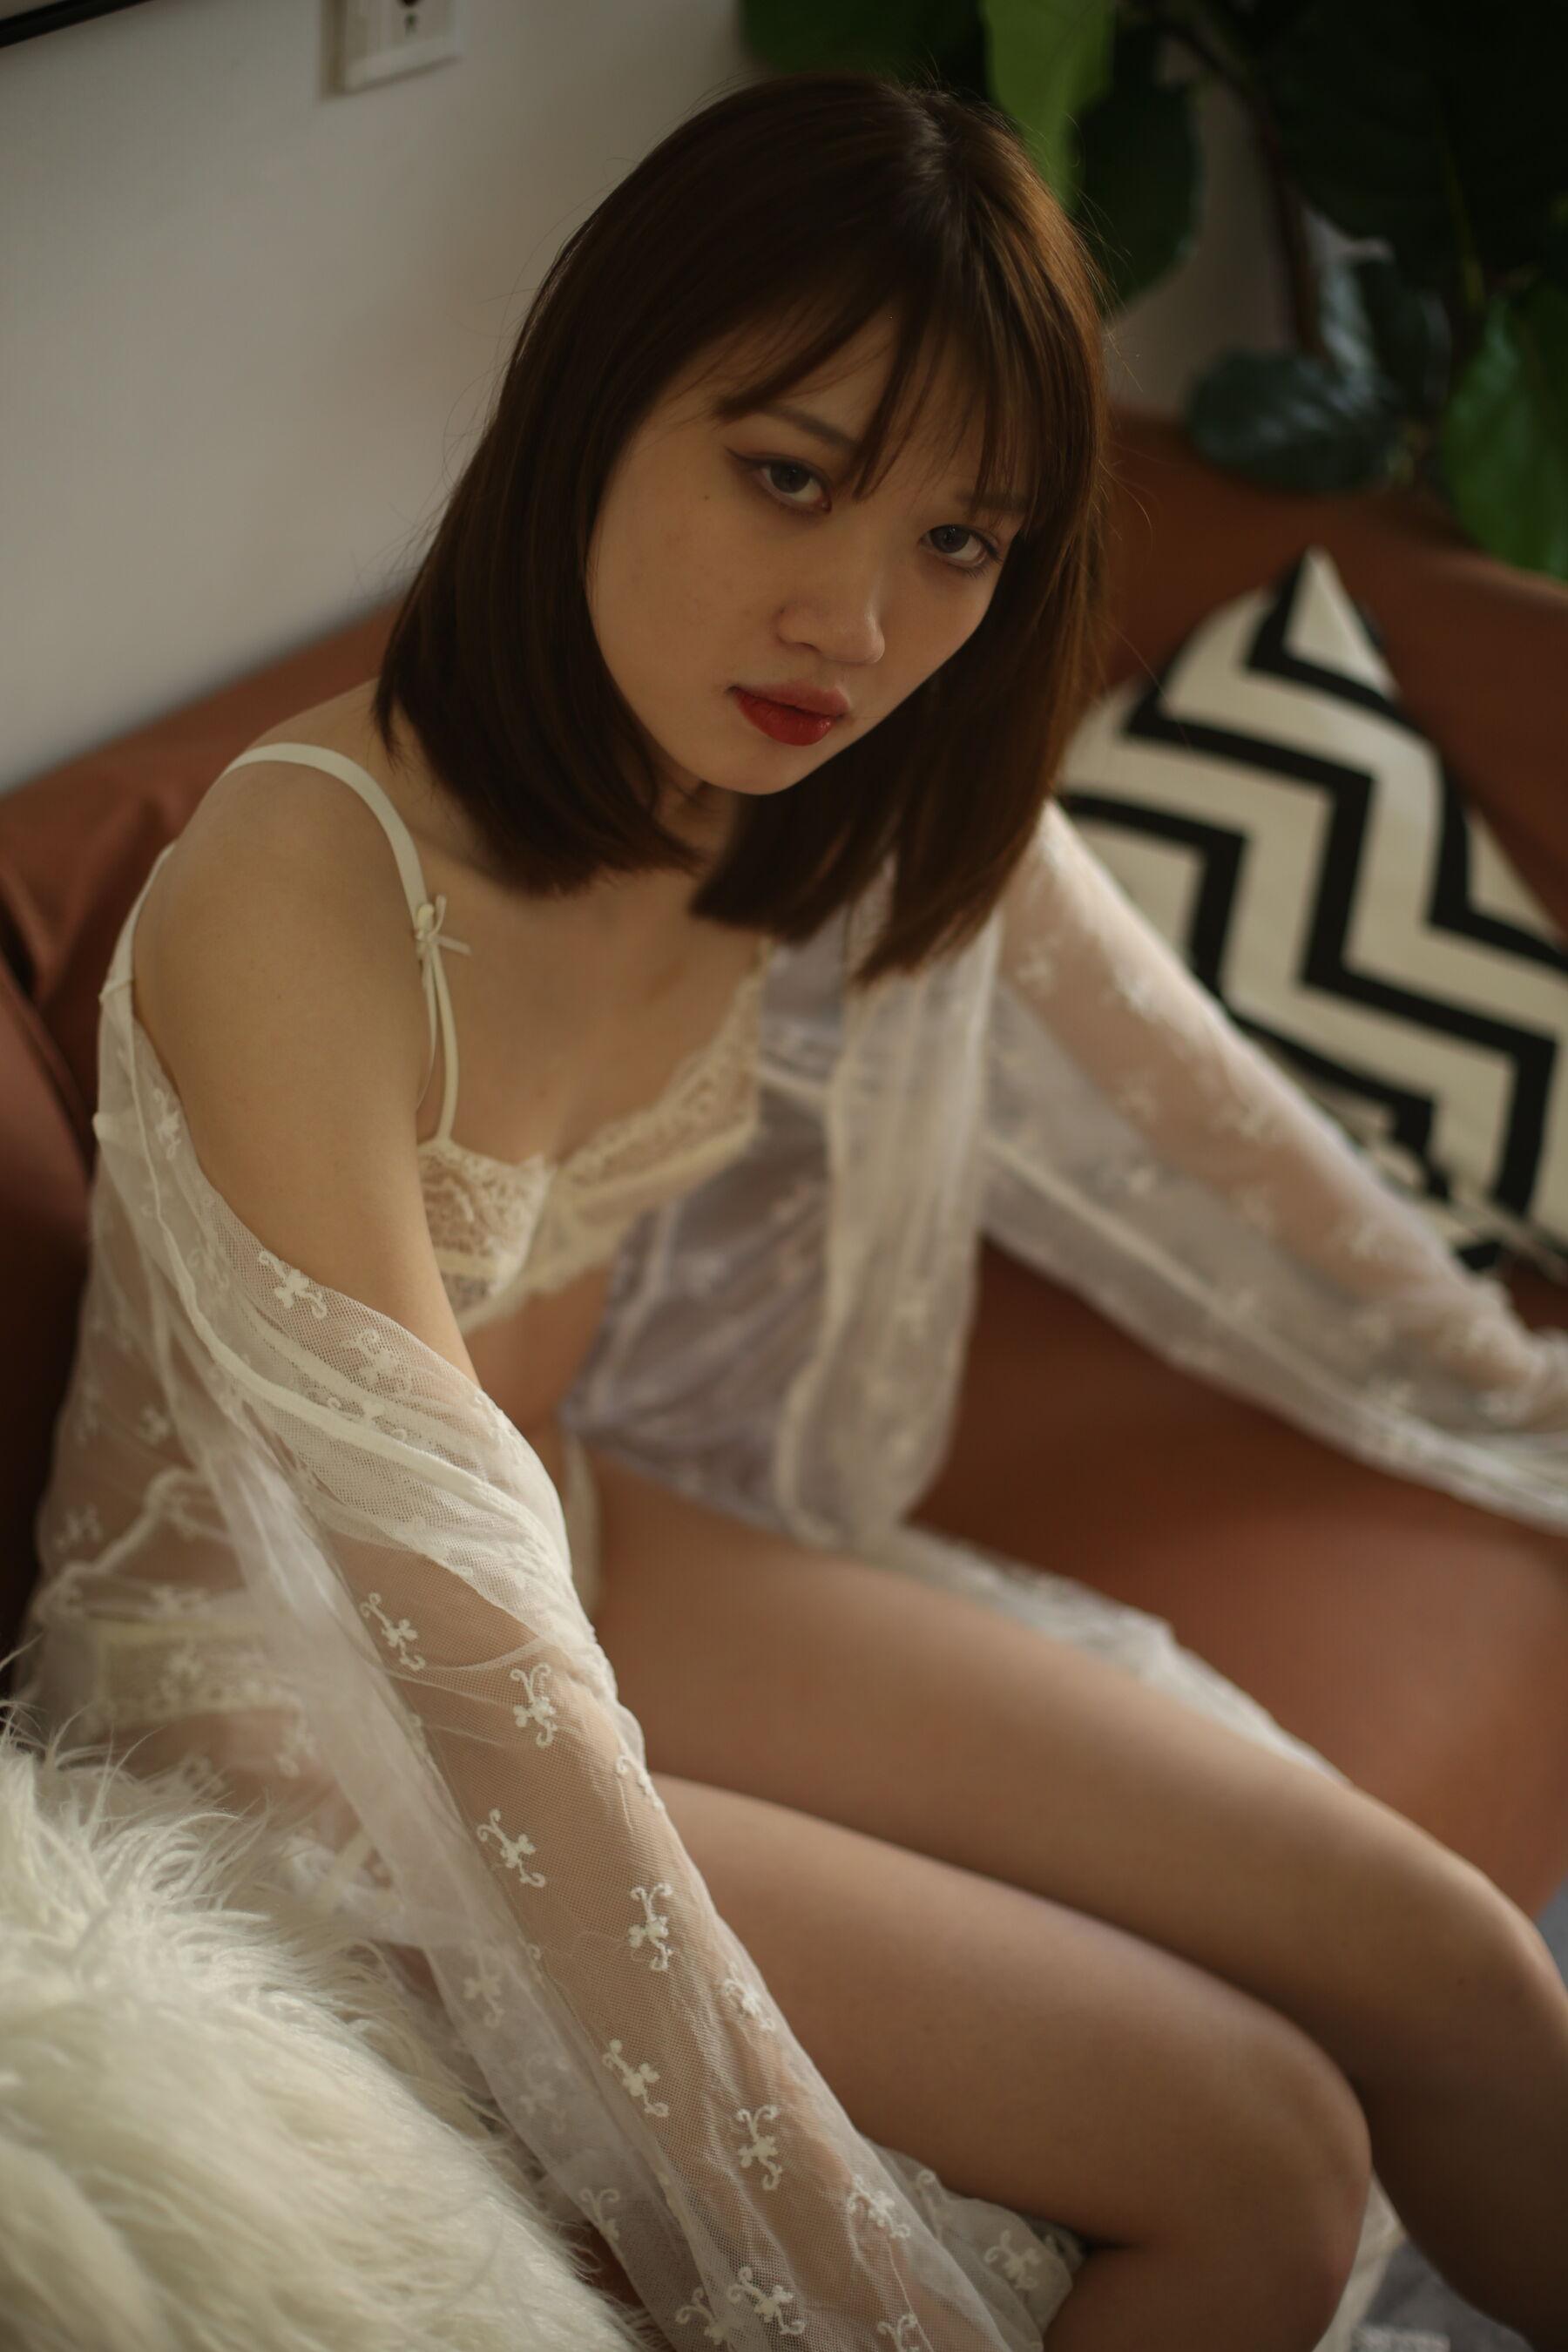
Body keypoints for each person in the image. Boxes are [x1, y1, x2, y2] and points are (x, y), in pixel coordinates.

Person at [14, 67, 1568, 2352]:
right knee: (1263, 2153)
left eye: (961, 542)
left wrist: (1514, 1393)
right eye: (791, 475)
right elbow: (462, 1652)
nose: (854, 618)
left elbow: (1225, 1147)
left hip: (590, 1551)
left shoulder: (839, 781)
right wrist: (843, 2272)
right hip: (295, 1710)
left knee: (1452, 1958)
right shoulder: (299, 882)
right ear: (594, 411)